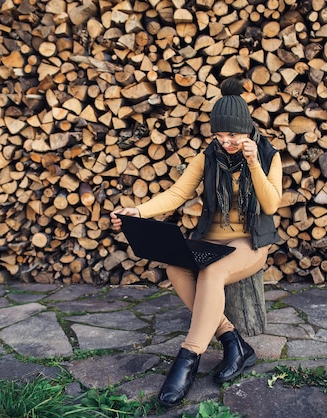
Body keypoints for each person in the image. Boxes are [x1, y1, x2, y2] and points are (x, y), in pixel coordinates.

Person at [110, 78, 283, 407]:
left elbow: (271, 204)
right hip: (212, 240)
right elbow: (177, 194)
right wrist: (139, 211)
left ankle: (187, 359)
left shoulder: (268, 155)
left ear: (245, 130)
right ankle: (234, 343)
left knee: (211, 274)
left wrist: (252, 163)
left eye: (232, 134)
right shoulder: (207, 158)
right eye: (219, 135)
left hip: (250, 243)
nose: (226, 141)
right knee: (176, 267)